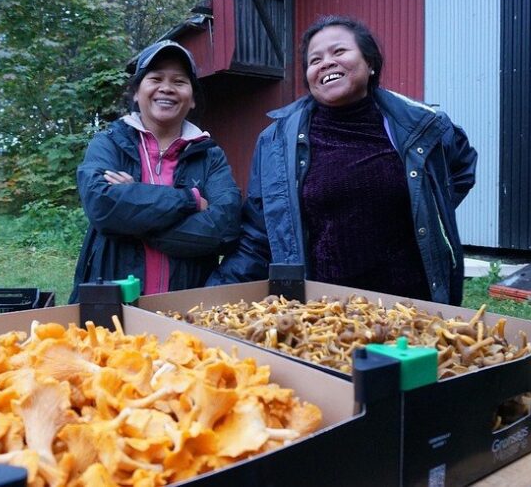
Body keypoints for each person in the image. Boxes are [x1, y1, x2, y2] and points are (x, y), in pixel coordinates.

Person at [208, 16, 477, 305]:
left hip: (411, 309)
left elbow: (461, 166)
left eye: (339, 52)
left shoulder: (420, 124)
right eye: (315, 60)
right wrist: (213, 295)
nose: (326, 63)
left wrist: (425, 207)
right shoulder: (276, 142)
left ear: (370, 62)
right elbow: (260, 234)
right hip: (325, 315)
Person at [69, 40, 241, 302]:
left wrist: (133, 214)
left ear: (192, 98)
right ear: (137, 92)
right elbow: (101, 205)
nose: (167, 88)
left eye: (179, 82)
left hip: (188, 309)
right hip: (113, 306)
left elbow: (226, 228)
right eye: (156, 78)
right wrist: (190, 200)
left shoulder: (210, 156)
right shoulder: (110, 143)